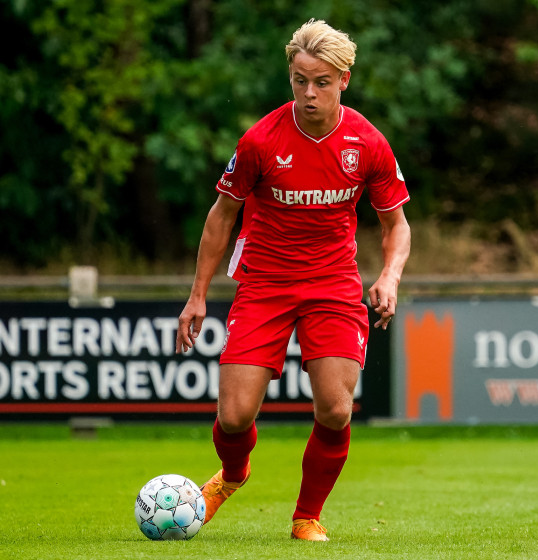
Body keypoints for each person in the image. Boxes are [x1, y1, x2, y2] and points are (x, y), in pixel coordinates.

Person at [175, 19, 411, 542]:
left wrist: (389, 276)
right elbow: (221, 217)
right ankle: (233, 474)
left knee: (334, 406)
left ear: (344, 80)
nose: (308, 93)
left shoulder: (368, 143)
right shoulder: (260, 141)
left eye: (321, 82)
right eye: (299, 80)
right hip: (265, 282)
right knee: (234, 417)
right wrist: (197, 297)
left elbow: (396, 223)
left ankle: (307, 516)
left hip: (333, 283)